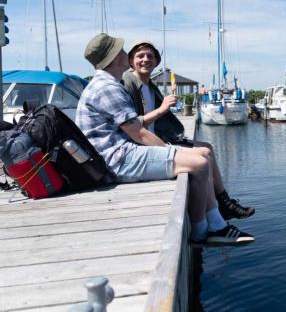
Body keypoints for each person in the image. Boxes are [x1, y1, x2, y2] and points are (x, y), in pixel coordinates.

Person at [76, 33, 254, 245]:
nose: (127, 54)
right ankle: (202, 233)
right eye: (123, 51)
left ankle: (217, 222)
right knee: (198, 163)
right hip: (117, 160)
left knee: (201, 156)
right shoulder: (108, 87)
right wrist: (173, 151)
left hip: (116, 155)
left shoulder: (104, 83)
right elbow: (138, 133)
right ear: (115, 58)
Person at [121, 40, 254, 220]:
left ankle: (224, 202)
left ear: (156, 61)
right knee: (202, 155)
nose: (145, 60)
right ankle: (215, 212)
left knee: (208, 147)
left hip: (159, 137)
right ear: (131, 61)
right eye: (140, 56)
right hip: (143, 145)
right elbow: (133, 126)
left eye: (150, 56)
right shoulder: (128, 83)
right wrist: (162, 109)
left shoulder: (150, 85)